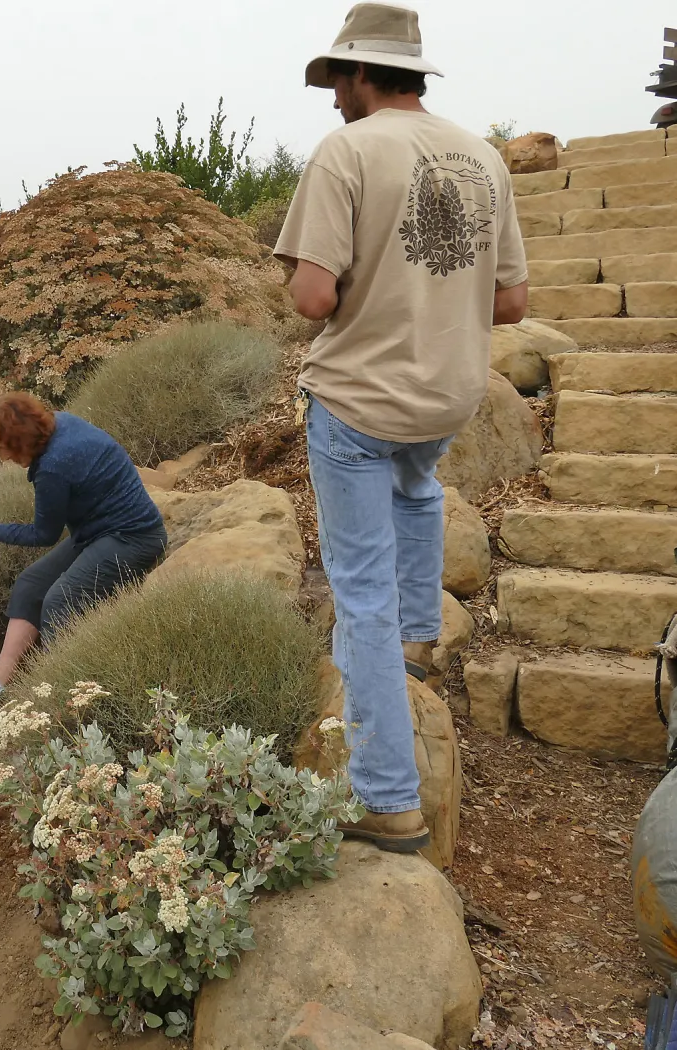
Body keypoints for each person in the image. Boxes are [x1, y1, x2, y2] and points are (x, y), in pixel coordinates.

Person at [274, 2, 527, 853]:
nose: (331, 100)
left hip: (360, 398)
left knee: (359, 596)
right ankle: (421, 643)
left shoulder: (348, 150)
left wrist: (353, 293)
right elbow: (512, 301)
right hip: (446, 395)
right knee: (416, 487)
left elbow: (312, 297)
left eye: (335, 82)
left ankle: (387, 797)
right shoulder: (484, 157)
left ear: (357, 75)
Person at [0, 392, 166, 703]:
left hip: (133, 539)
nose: (5, 458)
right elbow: (12, 421)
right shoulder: (55, 422)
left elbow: (44, 534)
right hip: (95, 532)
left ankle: (63, 695)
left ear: (20, 441)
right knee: (30, 585)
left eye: (4, 450)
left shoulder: (53, 466)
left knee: (59, 603)